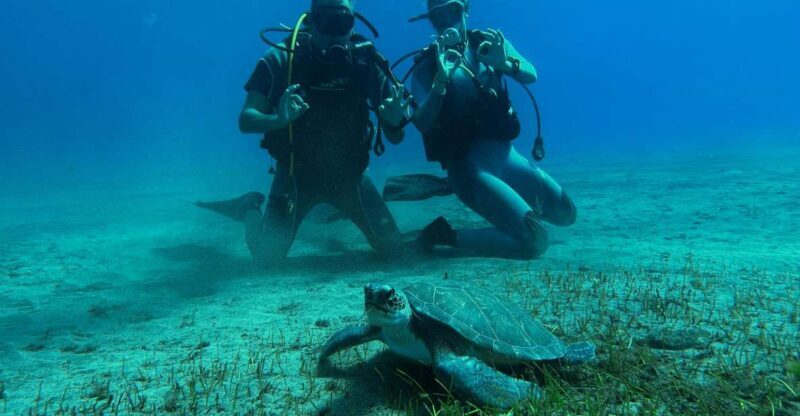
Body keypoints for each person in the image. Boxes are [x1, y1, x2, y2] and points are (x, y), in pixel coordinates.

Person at [197, 0, 412, 265]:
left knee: (394, 250)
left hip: (351, 176)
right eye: (326, 21)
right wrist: (279, 119)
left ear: (354, 22)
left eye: (342, 21)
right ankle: (248, 208)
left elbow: (396, 136)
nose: (334, 32)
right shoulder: (281, 58)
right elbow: (246, 120)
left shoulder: (365, 62)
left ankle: (331, 213)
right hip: (295, 175)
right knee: (267, 259)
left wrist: (393, 122)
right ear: (311, 20)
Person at [408, 0, 577, 259]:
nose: (446, 22)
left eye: (451, 11)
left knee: (566, 213)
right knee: (534, 241)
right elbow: (421, 122)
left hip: (507, 158)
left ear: (466, 10)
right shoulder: (425, 67)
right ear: (430, 20)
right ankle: (443, 234)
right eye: (437, 17)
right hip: (468, 170)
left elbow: (530, 73)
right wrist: (440, 82)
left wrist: (505, 64)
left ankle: (501, 205)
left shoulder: (488, 43)